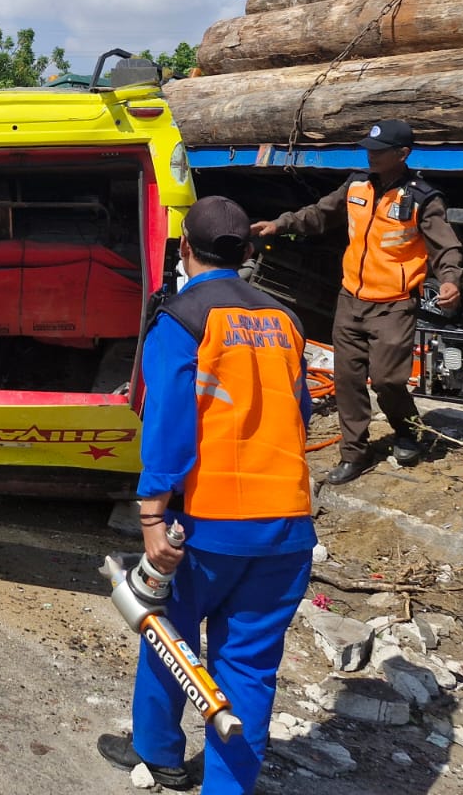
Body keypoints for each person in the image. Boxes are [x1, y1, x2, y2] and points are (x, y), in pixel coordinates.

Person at [97, 196, 315, 795]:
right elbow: (300, 413)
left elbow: (168, 423)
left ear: (184, 249)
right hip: (287, 527)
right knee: (248, 672)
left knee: (167, 634)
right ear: (247, 252)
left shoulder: (183, 318)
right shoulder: (286, 320)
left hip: (205, 525)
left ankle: (162, 755)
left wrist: (150, 516)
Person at [251, 118, 463, 484]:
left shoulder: (423, 198)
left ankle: (408, 430)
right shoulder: (356, 185)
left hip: (393, 304)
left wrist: (450, 280)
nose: (372, 156)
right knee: (348, 379)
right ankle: (355, 453)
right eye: (369, 149)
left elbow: (446, 247)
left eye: (379, 151)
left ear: (402, 154)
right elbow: (319, 214)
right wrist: (280, 224)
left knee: (386, 381)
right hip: (350, 299)